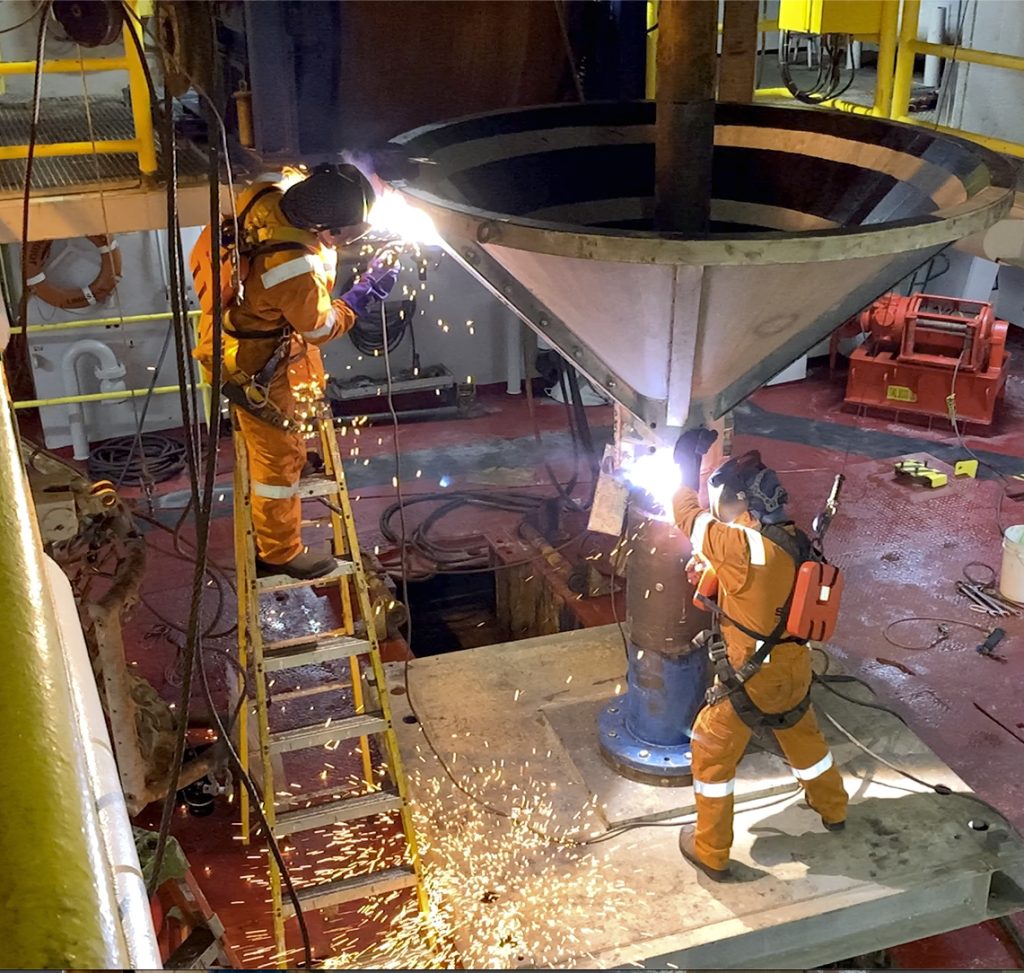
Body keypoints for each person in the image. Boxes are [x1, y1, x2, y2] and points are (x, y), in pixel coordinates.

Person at [207, 163, 399, 579]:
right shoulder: (294, 270)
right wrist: (364, 294)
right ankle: (278, 553)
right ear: (325, 226)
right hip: (252, 366)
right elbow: (321, 329)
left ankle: (292, 459)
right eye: (350, 232)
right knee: (276, 460)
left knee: (300, 407)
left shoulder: (267, 193)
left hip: (238, 329)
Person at [671, 435, 849, 881]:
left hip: (751, 680)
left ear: (743, 507)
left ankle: (710, 851)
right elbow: (764, 584)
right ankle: (833, 808)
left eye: (725, 509)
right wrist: (712, 572)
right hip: (794, 669)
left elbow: (685, 515)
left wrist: (683, 467)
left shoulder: (739, 547)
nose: (721, 517)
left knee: (711, 751)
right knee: (801, 737)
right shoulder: (791, 539)